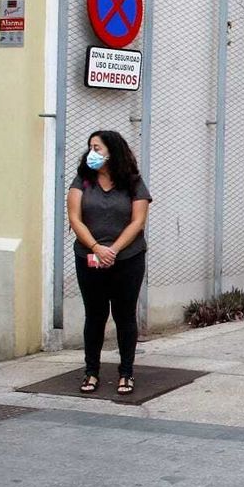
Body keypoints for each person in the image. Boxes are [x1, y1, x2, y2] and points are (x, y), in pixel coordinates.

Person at [67, 130, 152, 396]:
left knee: (124, 315)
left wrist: (113, 250)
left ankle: (126, 373)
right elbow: (74, 217)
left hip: (128, 258)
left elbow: (138, 221)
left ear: (112, 152)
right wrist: (96, 248)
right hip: (89, 257)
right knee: (95, 314)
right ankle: (91, 371)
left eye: (98, 148)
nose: (92, 152)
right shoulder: (83, 180)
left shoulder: (133, 182)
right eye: (90, 147)